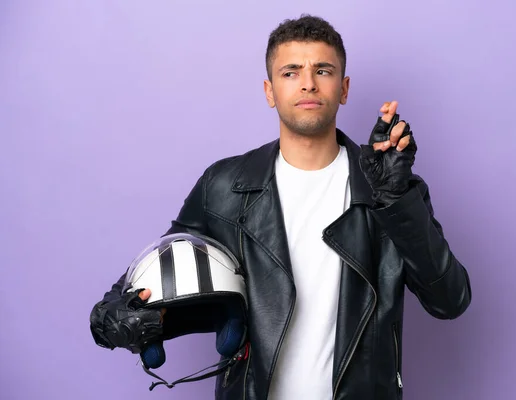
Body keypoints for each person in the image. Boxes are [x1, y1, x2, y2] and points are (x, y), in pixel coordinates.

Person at [89, 14, 472, 400]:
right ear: (270, 91)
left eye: (323, 70)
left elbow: (450, 300)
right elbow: (152, 274)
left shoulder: (389, 187)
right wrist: (114, 317)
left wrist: (395, 200)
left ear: (344, 88)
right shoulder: (224, 186)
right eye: (291, 72)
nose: (308, 82)